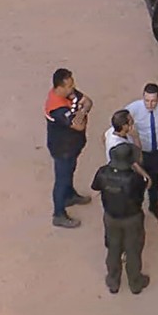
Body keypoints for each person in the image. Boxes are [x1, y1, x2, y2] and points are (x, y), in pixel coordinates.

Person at [91, 143, 150, 294]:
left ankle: (113, 281)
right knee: (133, 250)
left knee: (113, 248)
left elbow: (95, 187)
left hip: (111, 217)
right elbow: (147, 184)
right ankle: (135, 283)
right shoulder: (134, 178)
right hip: (132, 218)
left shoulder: (103, 173)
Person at [44, 68, 93, 229]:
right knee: (61, 179)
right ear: (60, 87)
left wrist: (81, 111)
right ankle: (58, 214)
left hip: (72, 146)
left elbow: (88, 101)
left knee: (70, 172)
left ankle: (70, 195)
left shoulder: (68, 93)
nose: (73, 88)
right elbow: (79, 125)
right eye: (69, 86)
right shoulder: (57, 107)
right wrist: (82, 112)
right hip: (62, 149)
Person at [126, 83, 158, 215]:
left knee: (155, 179)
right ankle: (136, 208)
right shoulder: (133, 109)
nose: (150, 104)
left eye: (153, 101)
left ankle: (153, 206)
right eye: (147, 100)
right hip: (140, 152)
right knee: (137, 180)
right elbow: (121, 123)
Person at [103, 110, 152, 185]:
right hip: (124, 173)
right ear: (124, 126)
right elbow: (137, 160)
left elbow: (104, 137)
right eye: (130, 122)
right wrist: (145, 176)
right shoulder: (120, 145)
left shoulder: (112, 130)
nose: (133, 123)